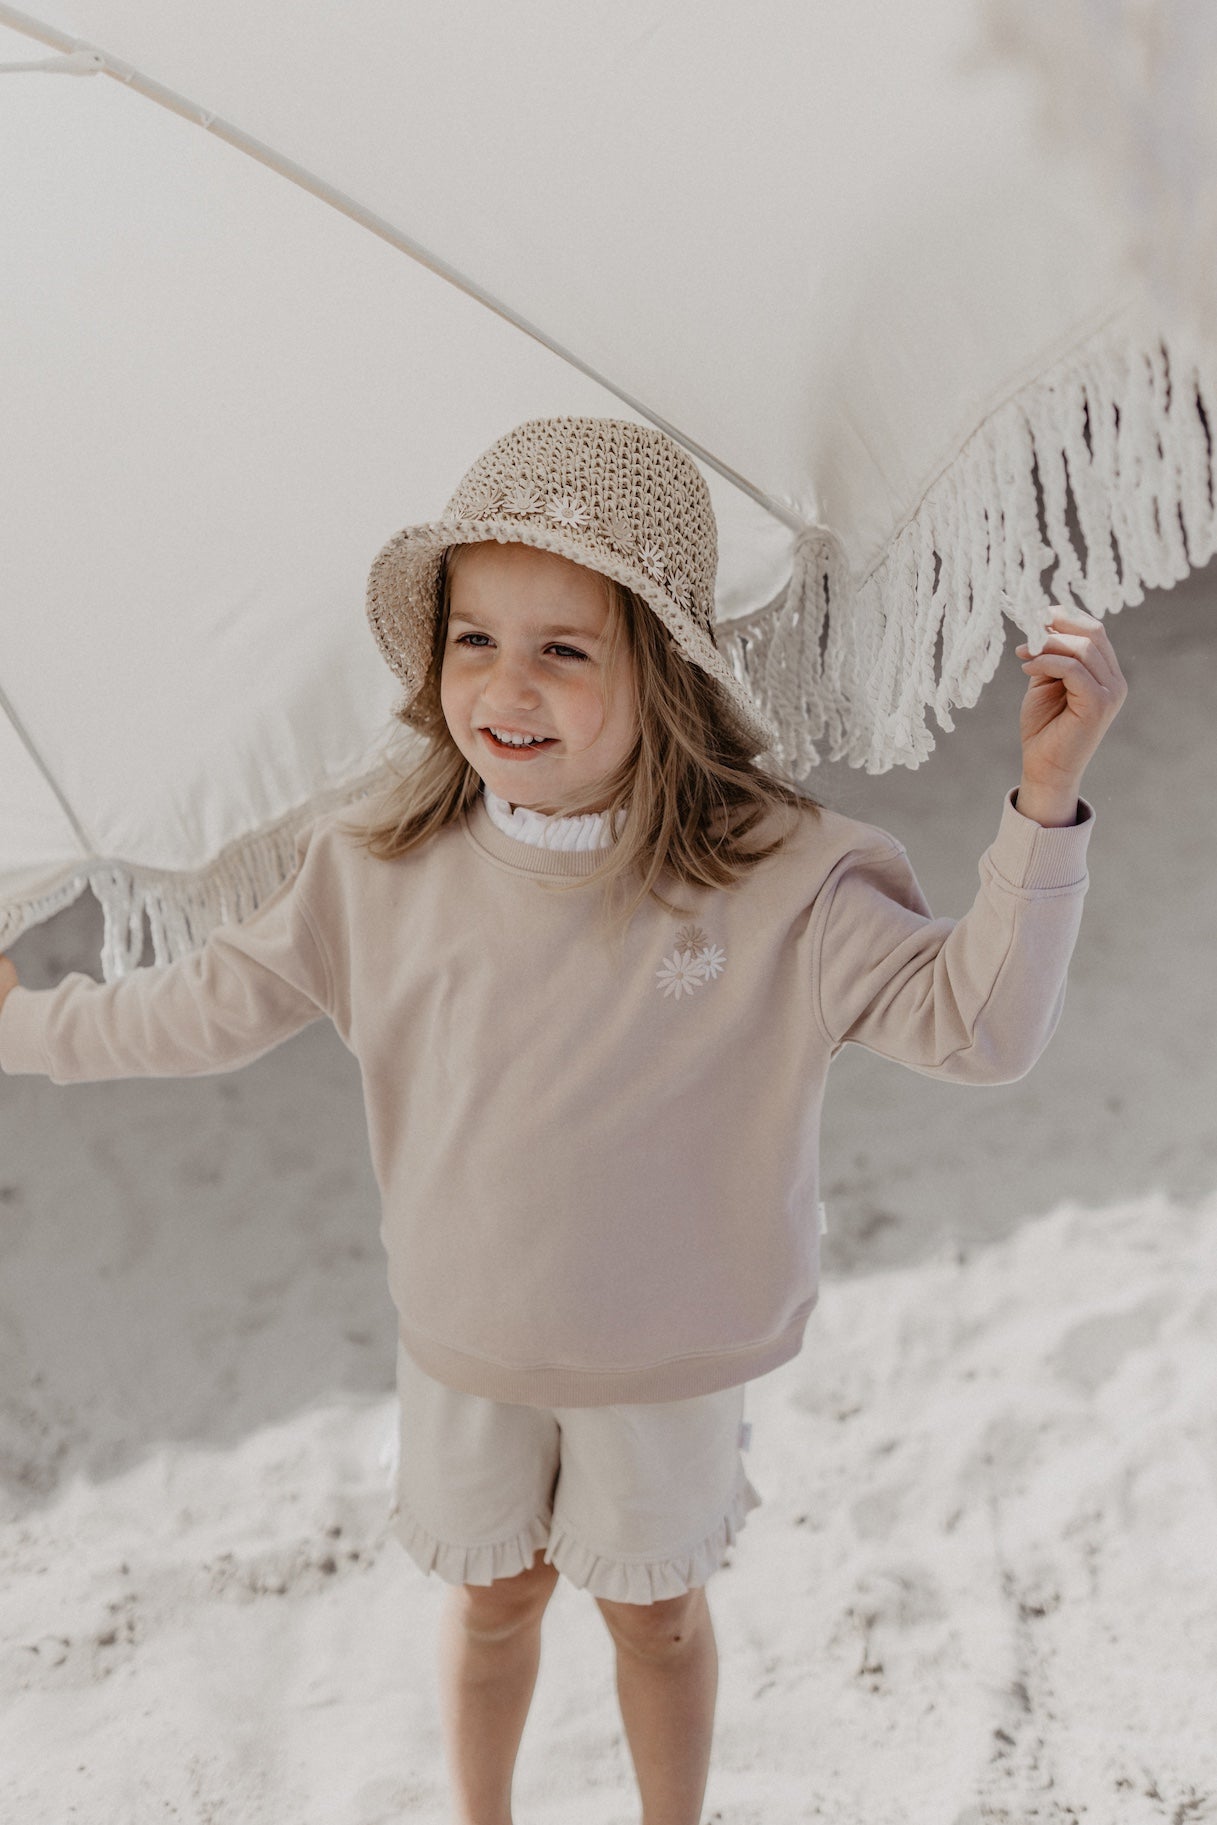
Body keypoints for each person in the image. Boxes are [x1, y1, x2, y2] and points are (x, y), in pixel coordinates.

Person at [0, 416, 1126, 1825]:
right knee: (490, 1600)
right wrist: (21, 1023)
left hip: (665, 1355)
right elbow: (194, 1011)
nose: (505, 686)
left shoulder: (779, 881)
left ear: (660, 671)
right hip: (467, 1339)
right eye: (472, 639)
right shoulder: (375, 868)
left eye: (563, 648)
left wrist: (1045, 798)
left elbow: (983, 1026)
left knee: (653, 1619)